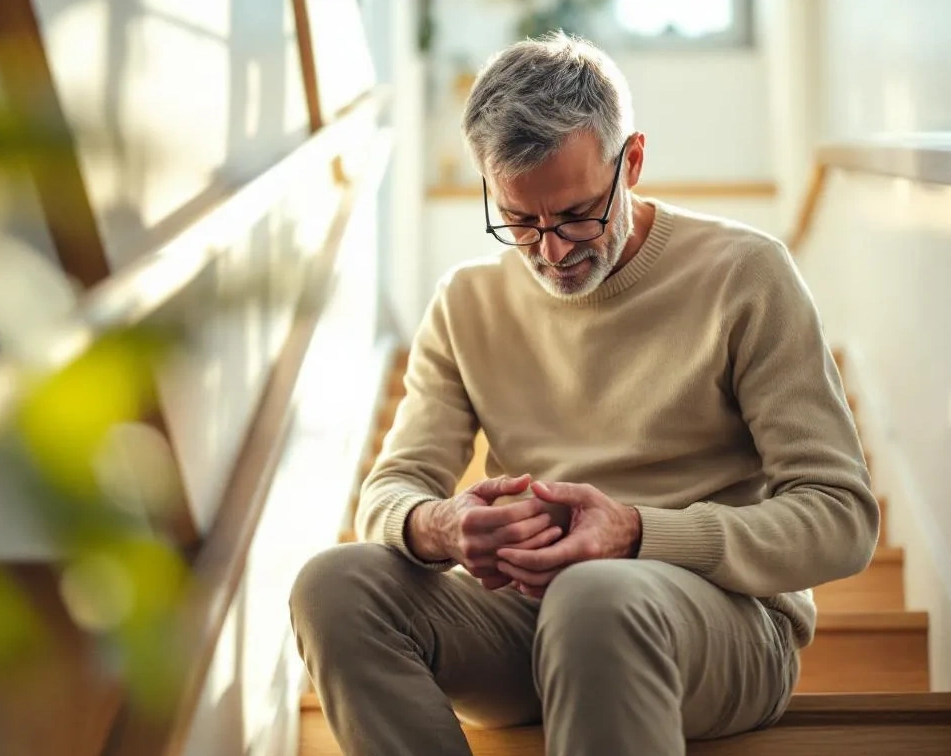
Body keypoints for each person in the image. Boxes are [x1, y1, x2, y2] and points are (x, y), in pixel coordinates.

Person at [289, 31, 878, 756]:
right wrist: (439, 526)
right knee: (332, 586)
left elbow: (842, 517)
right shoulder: (466, 303)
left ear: (631, 161)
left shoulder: (746, 275)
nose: (553, 251)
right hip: (528, 626)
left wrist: (636, 533)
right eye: (520, 222)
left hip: (720, 628)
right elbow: (389, 490)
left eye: (575, 215)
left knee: (594, 595)